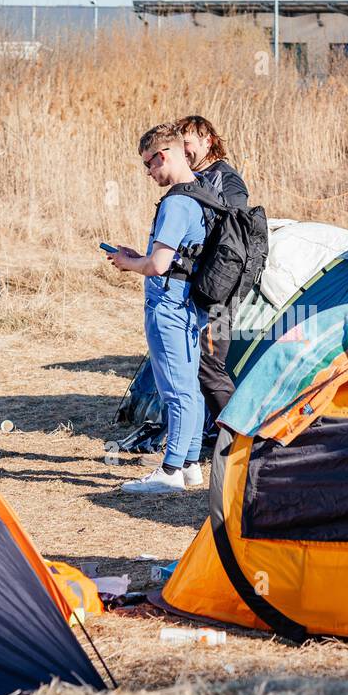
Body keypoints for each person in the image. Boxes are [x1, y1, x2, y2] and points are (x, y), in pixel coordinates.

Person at [107, 123, 209, 494]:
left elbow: (159, 265)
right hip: (189, 304)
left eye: (149, 165)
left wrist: (128, 263)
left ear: (162, 156)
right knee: (190, 389)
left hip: (168, 305)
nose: (149, 174)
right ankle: (191, 464)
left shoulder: (177, 203)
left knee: (175, 391)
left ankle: (169, 472)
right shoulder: (201, 192)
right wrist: (141, 256)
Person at [176, 115, 251, 439]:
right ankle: (212, 430)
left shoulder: (227, 180)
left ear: (207, 140)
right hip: (199, 285)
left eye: (188, 144)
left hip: (220, 290)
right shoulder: (194, 177)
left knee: (209, 365)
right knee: (195, 362)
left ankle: (240, 437)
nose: (184, 151)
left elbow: (234, 235)